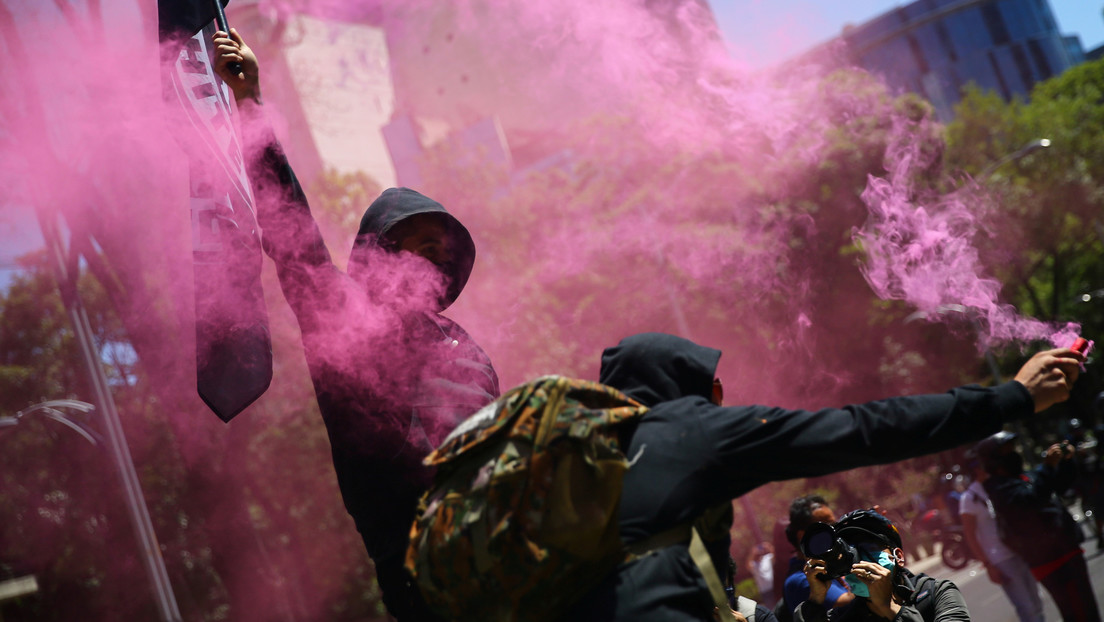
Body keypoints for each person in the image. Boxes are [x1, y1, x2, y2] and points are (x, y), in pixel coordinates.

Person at [212, 30, 499, 621]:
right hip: (424, 573)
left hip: (506, 558)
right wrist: (250, 104)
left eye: (442, 250)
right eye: (417, 244)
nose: (434, 258)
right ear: (379, 255)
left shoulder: (465, 345)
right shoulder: (345, 321)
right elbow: (294, 239)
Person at [566, 332, 1082, 621]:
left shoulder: (577, 460)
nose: (720, 399)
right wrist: (1012, 396)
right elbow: (864, 430)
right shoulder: (686, 428)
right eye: (713, 388)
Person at [979, 431, 1101, 622]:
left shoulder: (1025, 477)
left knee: (1087, 611)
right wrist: (1048, 466)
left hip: (1067, 551)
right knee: (1079, 614)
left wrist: (1066, 461)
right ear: (994, 460)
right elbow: (1031, 499)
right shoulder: (999, 489)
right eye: (1008, 451)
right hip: (1052, 561)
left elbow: (1059, 484)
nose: (1014, 454)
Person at [795, 509, 969, 622]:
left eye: (869, 548)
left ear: (898, 557)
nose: (860, 560)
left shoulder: (936, 593)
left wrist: (889, 607)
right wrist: (815, 600)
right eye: (852, 552)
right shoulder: (843, 617)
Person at [959, 452, 1044, 622]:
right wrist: (988, 564)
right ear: (976, 469)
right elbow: (970, 535)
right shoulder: (969, 498)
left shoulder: (997, 486)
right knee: (1026, 607)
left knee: (1036, 601)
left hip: (1019, 550)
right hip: (1000, 558)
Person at [780, 496, 854, 622]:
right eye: (828, 527)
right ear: (803, 536)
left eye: (835, 525)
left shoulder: (831, 563)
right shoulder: (801, 579)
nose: (835, 532)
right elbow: (847, 604)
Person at [746, 541, 776, 607]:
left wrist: (768, 546)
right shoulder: (754, 564)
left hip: (774, 588)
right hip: (765, 592)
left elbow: (775, 554)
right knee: (772, 608)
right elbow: (748, 565)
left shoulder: (767, 558)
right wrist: (752, 553)